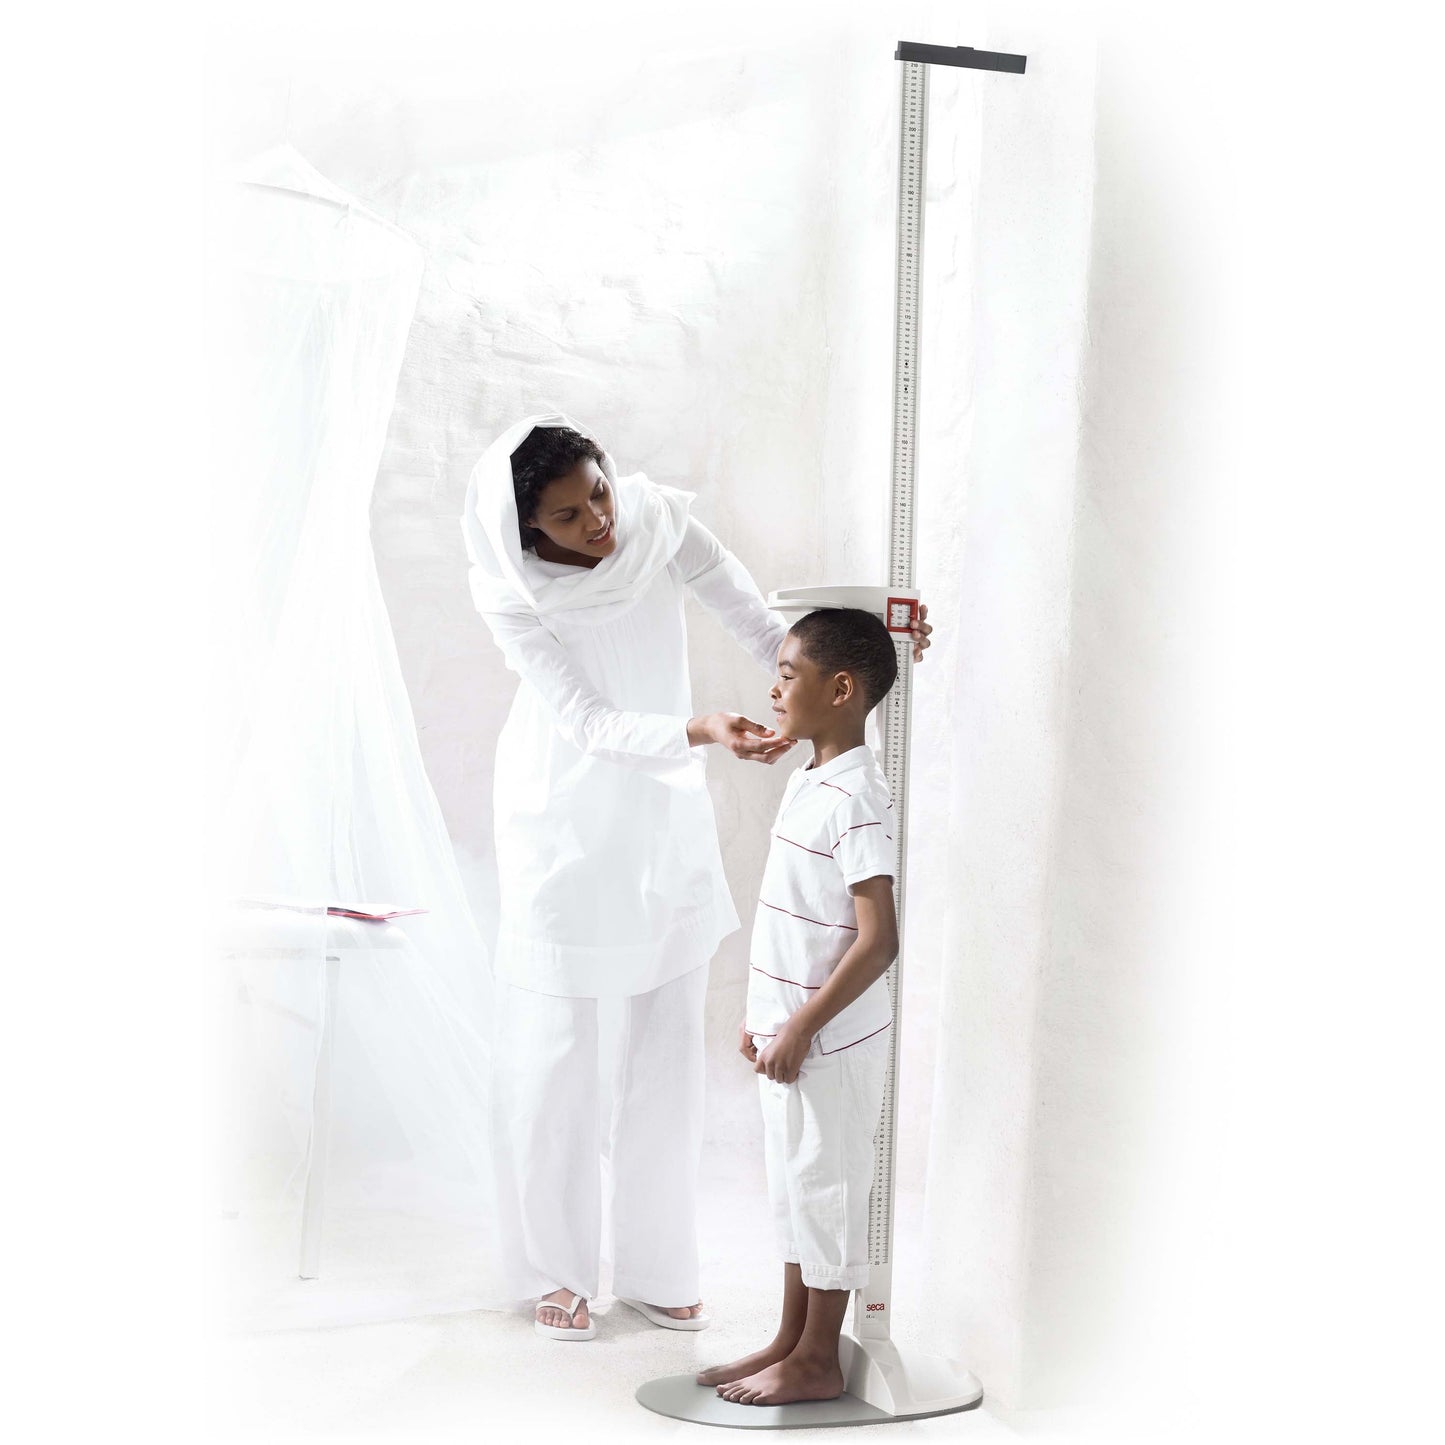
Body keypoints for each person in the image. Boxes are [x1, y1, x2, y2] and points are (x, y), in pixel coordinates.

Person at [461, 414, 932, 1340]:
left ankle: (654, 1266)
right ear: (527, 530)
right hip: (561, 818)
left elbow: (761, 627)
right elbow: (588, 721)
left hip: (661, 813)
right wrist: (702, 729)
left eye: (598, 491)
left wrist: (851, 673)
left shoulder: (658, 523)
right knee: (557, 1053)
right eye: (567, 516)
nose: (598, 520)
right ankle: (556, 1267)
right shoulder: (508, 588)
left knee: (666, 1044)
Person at [698, 607, 901, 1405]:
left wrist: (803, 1026)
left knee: (825, 1193)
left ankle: (819, 1358)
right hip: (787, 1035)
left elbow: (877, 939)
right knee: (792, 1190)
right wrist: (765, 1019)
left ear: (840, 689)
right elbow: (798, 916)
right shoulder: (810, 779)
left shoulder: (858, 796)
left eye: (788, 674)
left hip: (829, 1044)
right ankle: (789, 1339)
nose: (774, 688)